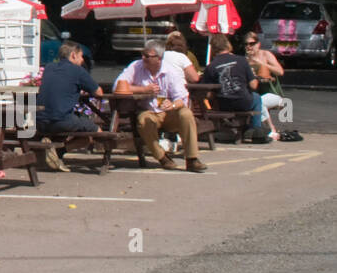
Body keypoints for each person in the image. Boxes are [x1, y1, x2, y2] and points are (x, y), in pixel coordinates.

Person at [114, 39, 207, 172]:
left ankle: (192, 159)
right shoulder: (135, 66)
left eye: (147, 56)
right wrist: (143, 90)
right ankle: (162, 157)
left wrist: (173, 105)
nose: (143, 58)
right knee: (144, 121)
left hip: (169, 112)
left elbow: (181, 98)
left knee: (186, 114)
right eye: (143, 54)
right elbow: (117, 86)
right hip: (149, 111)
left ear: (159, 58)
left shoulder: (170, 71)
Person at [35, 40, 104, 171]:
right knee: (95, 132)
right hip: (60, 120)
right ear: (73, 55)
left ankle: (54, 151)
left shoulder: (49, 67)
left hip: (40, 120)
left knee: (73, 120)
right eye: (81, 56)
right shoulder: (77, 71)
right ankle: (59, 151)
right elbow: (99, 92)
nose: (82, 60)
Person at [201, 33, 265, 138]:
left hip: (224, 104)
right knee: (257, 98)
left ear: (213, 48)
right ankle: (255, 130)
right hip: (243, 102)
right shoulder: (241, 60)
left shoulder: (211, 67)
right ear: (228, 45)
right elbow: (254, 86)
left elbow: (206, 94)